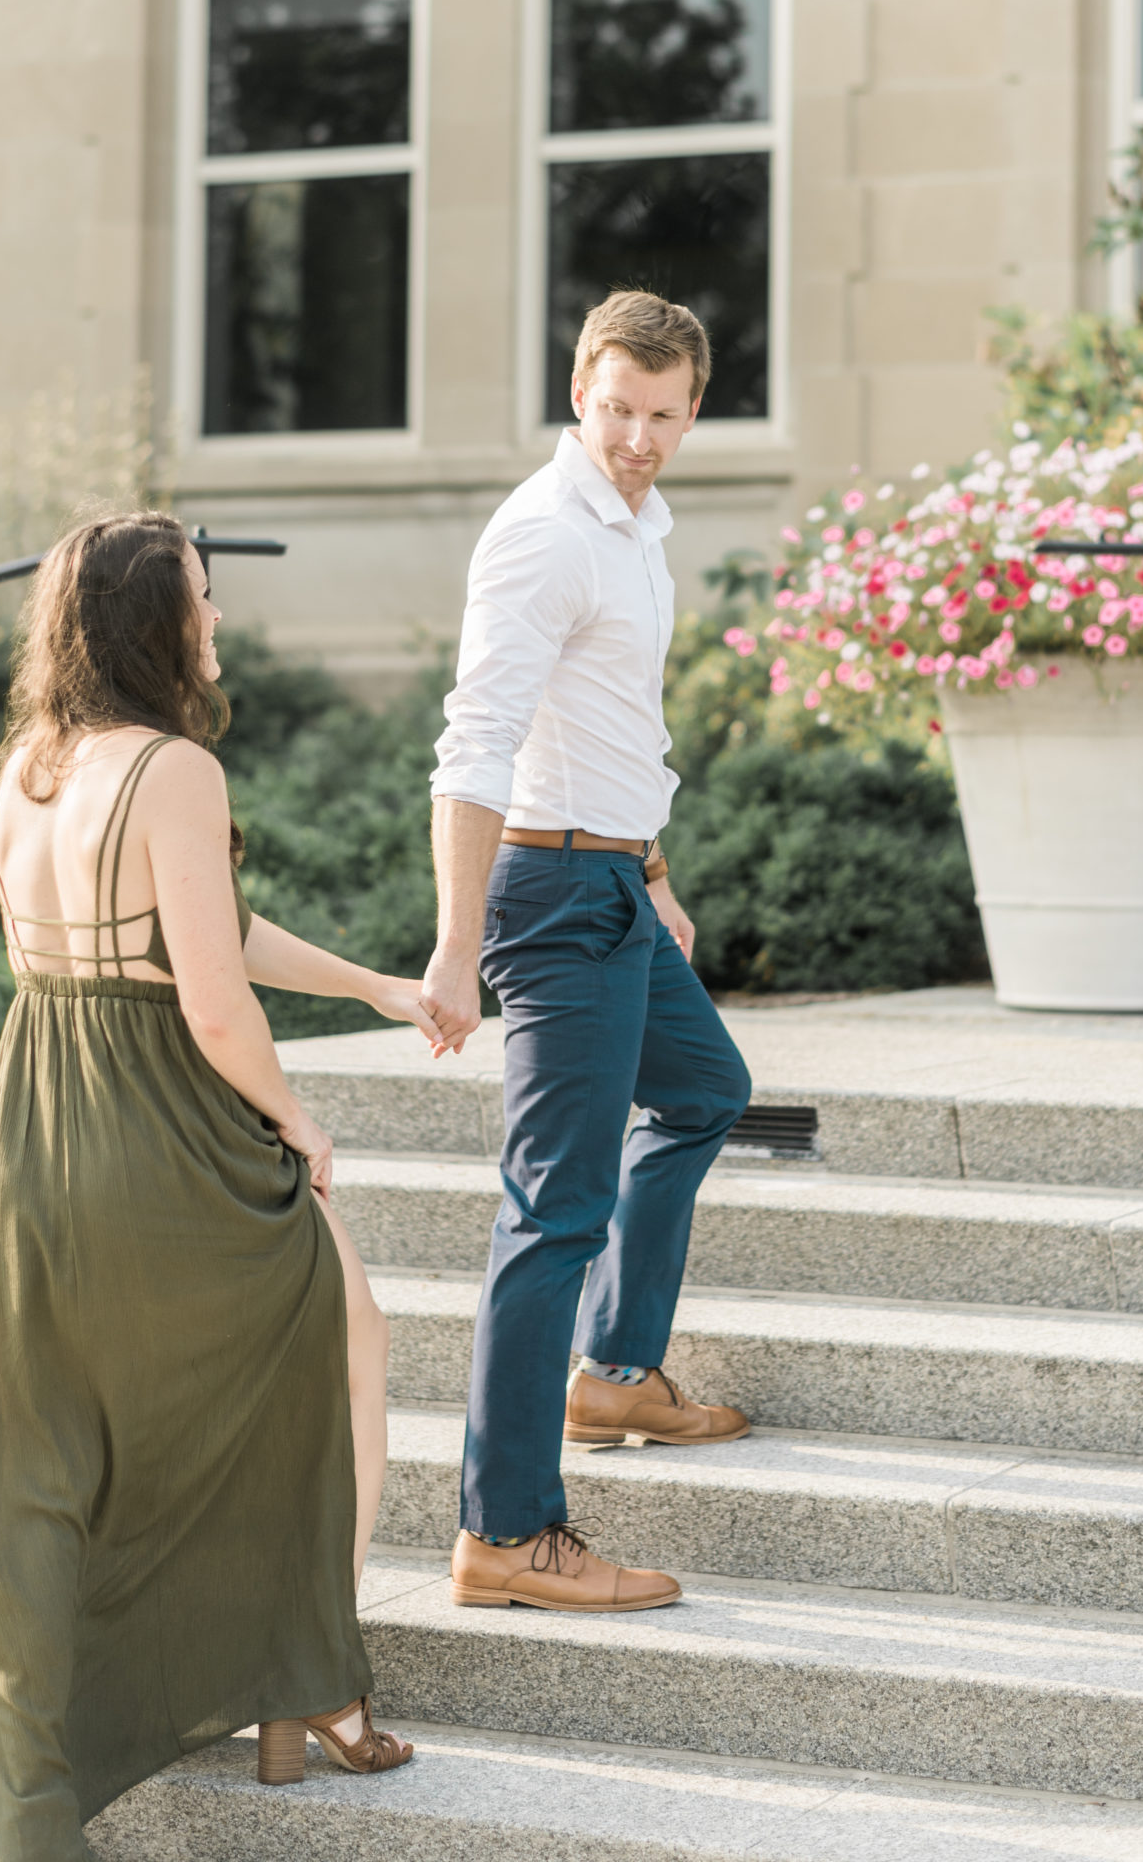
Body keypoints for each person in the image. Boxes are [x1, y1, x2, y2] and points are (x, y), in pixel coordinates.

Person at [0, 510, 435, 1862]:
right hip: (162, 1135)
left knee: (43, 1460)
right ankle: (313, 1680)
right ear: (159, 625)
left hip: (31, 1136)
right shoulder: (178, 771)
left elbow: (195, 927)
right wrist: (302, 1122)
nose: (214, 620)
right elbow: (210, 1005)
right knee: (349, 1347)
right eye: (201, 599)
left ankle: (34, 1796)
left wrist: (370, 983)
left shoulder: (27, 765)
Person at [421, 290, 754, 1614]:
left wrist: (655, 869)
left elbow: (608, 720)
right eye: (616, 410)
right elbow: (479, 737)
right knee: (551, 1209)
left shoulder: (638, 529)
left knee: (704, 1091)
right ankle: (505, 1532)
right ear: (578, 392)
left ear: (689, 411)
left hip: (613, 880)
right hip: (549, 896)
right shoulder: (543, 536)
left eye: (662, 416)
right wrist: (457, 948)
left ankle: (616, 1374)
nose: (636, 437)